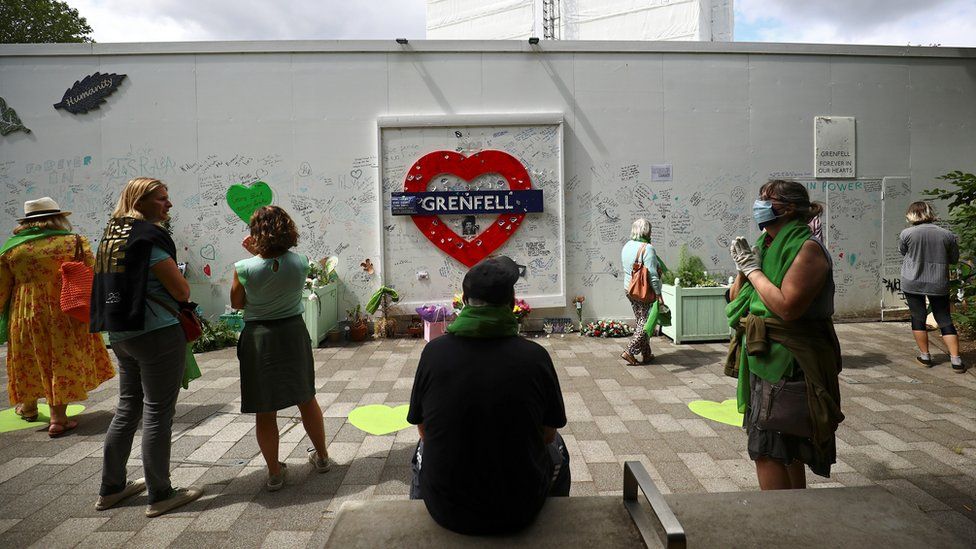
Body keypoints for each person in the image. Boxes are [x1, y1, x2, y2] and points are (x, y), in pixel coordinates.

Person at [407, 255, 570, 535]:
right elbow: (548, 434)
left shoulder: (433, 353)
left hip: (446, 511)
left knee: (422, 450)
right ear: (511, 303)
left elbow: (423, 429)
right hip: (519, 510)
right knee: (559, 450)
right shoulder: (535, 357)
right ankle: (555, 529)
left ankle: (419, 526)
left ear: (465, 302)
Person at [92, 177, 203, 517]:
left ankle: (111, 488)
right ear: (140, 201)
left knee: (128, 409)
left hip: (121, 333)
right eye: (162, 199)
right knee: (158, 412)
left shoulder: (113, 237)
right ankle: (161, 493)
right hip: (156, 333)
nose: (169, 205)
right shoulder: (148, 239)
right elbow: (181, 291)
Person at [726, 179, 844, 490]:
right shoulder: (766, 245)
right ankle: (798, 519)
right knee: (783, 448)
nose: (759, 205)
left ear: (789, 208)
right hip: (765, 356)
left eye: (767, 199)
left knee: (769, 448)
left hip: (790, 360)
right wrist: (743, 269)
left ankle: (779, 523)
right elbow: (737, 299)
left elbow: (787, 307)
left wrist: (753, 270)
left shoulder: (808, 249)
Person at [231, 206, 331, 492]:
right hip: (292, 333)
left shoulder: (243, 268)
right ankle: (322, 457)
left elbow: (238, 303)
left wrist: (251, 257)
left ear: (255, 233)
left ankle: (275, 473)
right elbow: (276, 269)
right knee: (306, 396)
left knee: (265, 408)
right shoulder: (301, 262)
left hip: (259, 338)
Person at [0, 197, 114, 436]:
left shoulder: (12, 249)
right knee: (60, 359)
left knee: (30, 357)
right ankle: (58, 419)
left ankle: (29, 407)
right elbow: (92, 273)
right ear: (58, 218)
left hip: (26, 311)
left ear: (27, 222)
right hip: (66, 308)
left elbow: (2, 288)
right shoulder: (74, 242)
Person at [899, 201, 964, 372]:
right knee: (944, 318)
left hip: (912, 280)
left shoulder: (907, 233)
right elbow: (954, 259)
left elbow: (903, 252)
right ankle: (956, 360)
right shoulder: (947, 234)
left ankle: (925, 356)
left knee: (918, 316)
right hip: (938, 281)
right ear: (930, 213)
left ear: (911, 214)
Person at [620, 218, 663, 365]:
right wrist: (658, 293)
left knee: (640, 319)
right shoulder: (648, 248)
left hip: (629, 289)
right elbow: (652, 275)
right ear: (647, 231)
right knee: (644, 323)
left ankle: (646, 354)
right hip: (642, 292)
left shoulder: (627, 246)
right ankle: (629, 351)